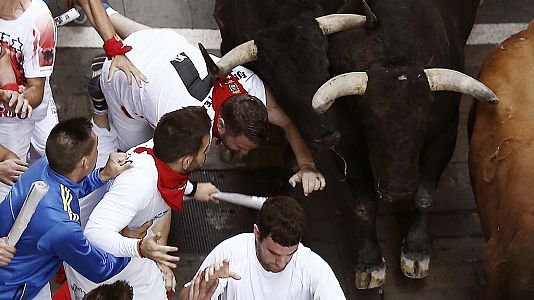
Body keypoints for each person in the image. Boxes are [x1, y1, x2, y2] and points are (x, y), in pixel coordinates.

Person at [90, 9, 325, 197]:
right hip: (124, 76)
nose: (243, 152)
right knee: (128, 147)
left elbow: (288, 123)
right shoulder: (188, 128)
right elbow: (159, 170)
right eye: (241, 146)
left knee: (156, 42)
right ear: (220, 124)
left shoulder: (254, 89)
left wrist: (307, 165)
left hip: (162, 43)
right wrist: (194, 191)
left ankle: (105, 11)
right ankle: (99, 93)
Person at [0, 118, 178, 299]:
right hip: (14, 291)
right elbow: (100, 268)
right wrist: (134, 245)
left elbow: (70, 189)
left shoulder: (46, 165)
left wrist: (103, 175)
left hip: (22, 271)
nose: (99, 152)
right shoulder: (63, 227)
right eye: (96, 149)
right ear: (85, 162)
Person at [64, 107, 220, 300]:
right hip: (96, 264)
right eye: (205, 150)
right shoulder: (139, 184)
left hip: (131, 250)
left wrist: (194, 190)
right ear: (186, 161)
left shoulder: (164, 150)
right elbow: (94, 234)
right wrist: (138, 247)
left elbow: (170, 179)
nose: (209, 152)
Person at [179, 196, 346, 300]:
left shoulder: (313, 267)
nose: (281, 263)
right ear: (257, 233)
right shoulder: (230, 253)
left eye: (289, 255)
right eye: (273, 253)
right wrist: (203, 286)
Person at [0, 0, 57, 200]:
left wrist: (12, 93)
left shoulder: (39, 19)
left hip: (30, 108)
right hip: (9, 120)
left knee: (59, 158)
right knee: (7, 185)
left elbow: (3, 60)